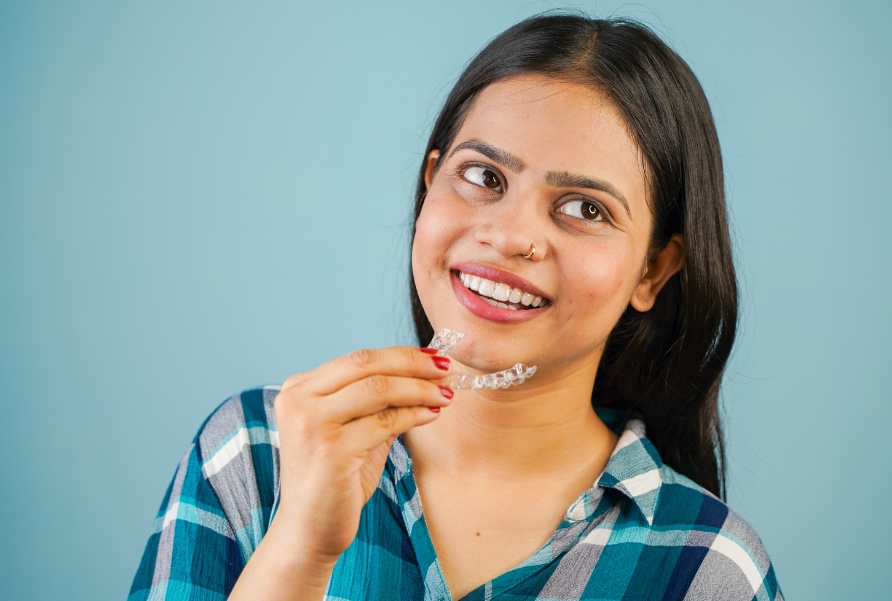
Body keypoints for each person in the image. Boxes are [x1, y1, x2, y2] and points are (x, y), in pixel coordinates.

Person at [129, 13, 783, 601]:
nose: (509, 235)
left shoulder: (711, 567)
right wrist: (299, 546)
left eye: (586, 209)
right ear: (430, 180)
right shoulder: (251, 453)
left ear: (653, 269)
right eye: (484, 177)